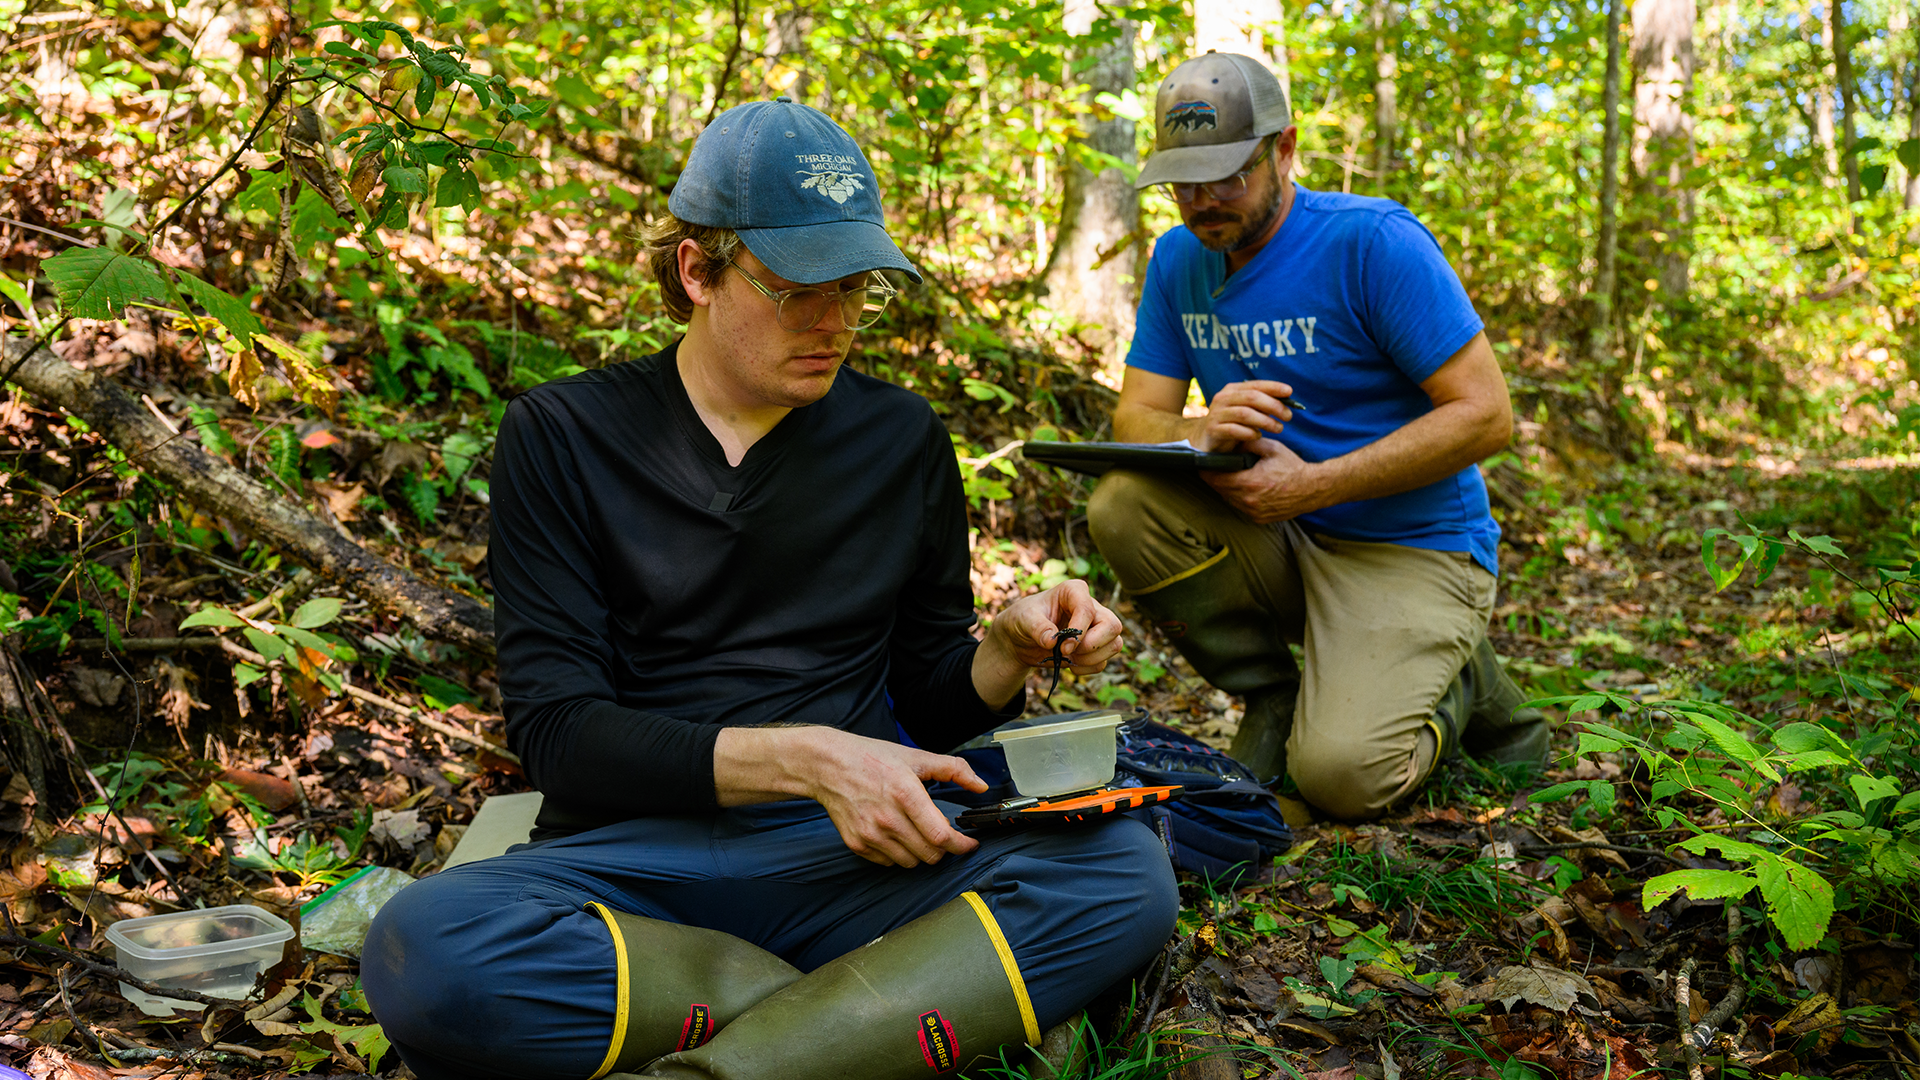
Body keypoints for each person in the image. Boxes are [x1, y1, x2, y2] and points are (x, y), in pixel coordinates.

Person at [361, 97, 1178, 1080]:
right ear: (698, 270)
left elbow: (926, 701)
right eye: (800, 289)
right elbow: (562, 734)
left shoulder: (900, 442)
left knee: (1124, 874)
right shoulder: (564, 437)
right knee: (427, 947)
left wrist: (1001, 651)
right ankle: (867, 1013)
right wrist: (809, 760)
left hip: (853, 855)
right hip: (634, 867)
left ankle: (729, 1060)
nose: (835, 323)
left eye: (858, 288)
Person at [1085, 52, 1549, 822]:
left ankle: (1463, 679)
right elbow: (1135, 421)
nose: (1203, 202)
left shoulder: (1371, 242)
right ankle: (1274, 696)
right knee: (1123, 504)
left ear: (1285, 149)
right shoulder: (1177, 261)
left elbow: (1486, 414)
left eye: (1228, 175)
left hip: (1414, 546)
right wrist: (1199, 431)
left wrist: (1316, 484)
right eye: (1184, 182)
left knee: (1341, 780)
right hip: (1279, 536)